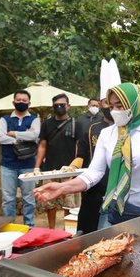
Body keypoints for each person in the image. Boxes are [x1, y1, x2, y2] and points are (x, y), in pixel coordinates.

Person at [35, 83, 140, 230]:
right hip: (114, 206)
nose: (114, 111)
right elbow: (94, 173)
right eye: (111, 106)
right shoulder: (107, 134)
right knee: (107, 249)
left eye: (120, 105)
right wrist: (62, 187)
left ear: (136, 103)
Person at [34, 93, 81, 229]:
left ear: (68, 106)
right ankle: (52, 229)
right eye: (56, 105)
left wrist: (76, 167)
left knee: (69, 203)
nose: (59, 107)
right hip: (50, 169)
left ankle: (68, 230)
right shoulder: (47, 124)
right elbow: (42, 145)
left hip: (69, 170)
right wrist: (37, 167)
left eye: (62, 105)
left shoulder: (75, 124)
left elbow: (78, 147)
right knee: (50, 203)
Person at [0, 90, 40, 227]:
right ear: (13, 102)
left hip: (28, 164)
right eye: (18, 100)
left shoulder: (34, 119)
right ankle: (9, 227)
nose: (21, 102)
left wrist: (13, 134)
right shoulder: (5, 119)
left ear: (29, 103)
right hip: (8, 165)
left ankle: (29, 227)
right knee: (8, 200)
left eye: (24, 100)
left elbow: (35, 136)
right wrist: (21, 138)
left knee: (29, 199)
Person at [75, 97, 113, 234]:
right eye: (107, 103)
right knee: (88, 231)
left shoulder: (131, 130)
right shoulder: (92, 128)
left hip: (119, 191)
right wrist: (72, 168)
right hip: (94, 188)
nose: (112, 107)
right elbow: (81, 155)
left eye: (117, 104)